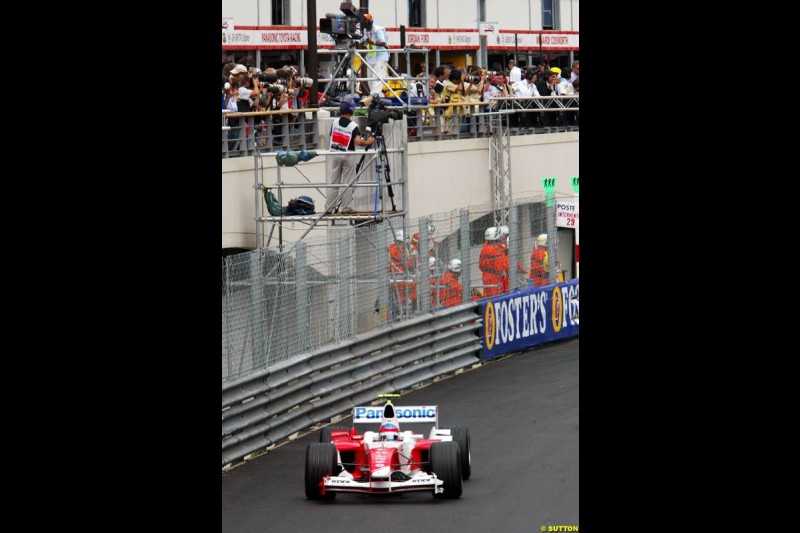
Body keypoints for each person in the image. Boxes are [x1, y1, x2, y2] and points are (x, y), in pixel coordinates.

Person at [324, 102, 375, 214]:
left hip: (335, 154)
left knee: (334, 182)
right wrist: (368, 142)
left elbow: (331, 136)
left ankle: (329, 208)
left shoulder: (335, 122)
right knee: (347, 182)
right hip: (348, 154)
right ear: (351, 111)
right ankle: (346, 208)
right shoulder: (353, 126)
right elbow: (358, 142)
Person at [388, 229, 417, 316]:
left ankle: (403, 306)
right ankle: (407, 303)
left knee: (400, 295)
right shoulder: (398, 249)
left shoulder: (392, 248)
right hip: (398, 277)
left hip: (397, 277)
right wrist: (412, 258)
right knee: (416, 285)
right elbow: (408, 263)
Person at [361, 13, 389, 96]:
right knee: (371, 80)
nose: (364, 22)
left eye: (366, 20)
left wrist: (373, 42)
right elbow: (362, 41)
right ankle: (378, 97)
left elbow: (383, 42)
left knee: (377, 79)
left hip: (380, 57)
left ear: (370, 21)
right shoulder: (365, 31)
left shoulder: (378, 29)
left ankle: (374, 97)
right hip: (371, 58)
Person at [479, 227, 507, 297]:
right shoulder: (495, 250)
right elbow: (499, 268)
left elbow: (481, 266)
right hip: (494, 277)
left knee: (487, 296)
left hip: (485, 276)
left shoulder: (483, 249)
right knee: (496, 298)